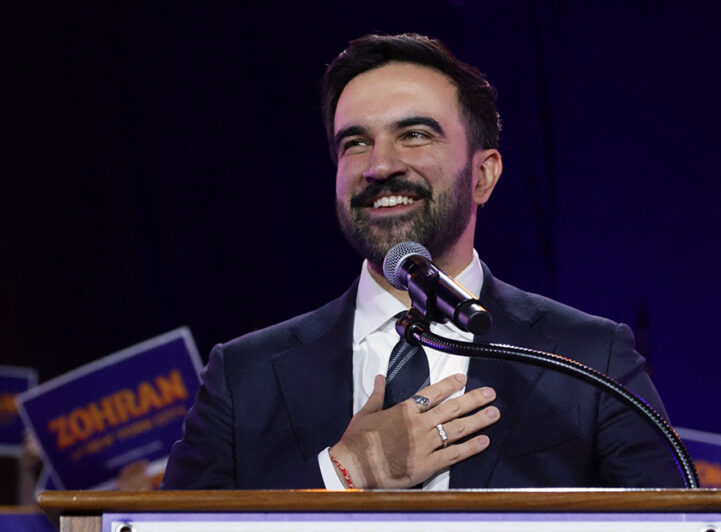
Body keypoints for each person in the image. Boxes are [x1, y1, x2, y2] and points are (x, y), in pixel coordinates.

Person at [162, 33, 682, 490]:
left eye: (414, 134)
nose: (380, 165)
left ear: (483, 176)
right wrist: (340, 475)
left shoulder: (590, 360)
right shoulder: (242, 376)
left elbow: (684, 522)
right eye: (355, 142)